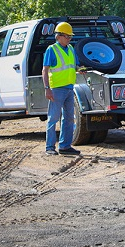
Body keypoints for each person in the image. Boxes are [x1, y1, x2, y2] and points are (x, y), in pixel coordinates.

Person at [42, 21, 81, 156]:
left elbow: (73, 66)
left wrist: (79, 69)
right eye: (67, 36)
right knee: (53, 118)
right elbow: (45, 70)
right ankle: (49, 147)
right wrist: (47, 88)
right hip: (56, 89)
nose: (69, 38)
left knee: (69, 118)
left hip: (69, 88)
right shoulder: (52, 50)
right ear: (58, 36)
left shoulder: (71, 49)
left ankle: (65, 146)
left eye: (70, 36)